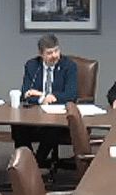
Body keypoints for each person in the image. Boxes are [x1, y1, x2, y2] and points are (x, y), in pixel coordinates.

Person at [11, 34, 78, 166]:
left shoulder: (69, 66)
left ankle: (38, 161)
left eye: (56, 51)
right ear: (41, 54)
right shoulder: (32, 65)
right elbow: (26, 93)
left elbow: (71, 94)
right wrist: (44, 97)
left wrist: (44, 95)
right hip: (35, 114)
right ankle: (28, 160)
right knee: (17, 125)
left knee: (53, 127)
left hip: (58, 116)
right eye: (49, 53)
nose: (54, 55)